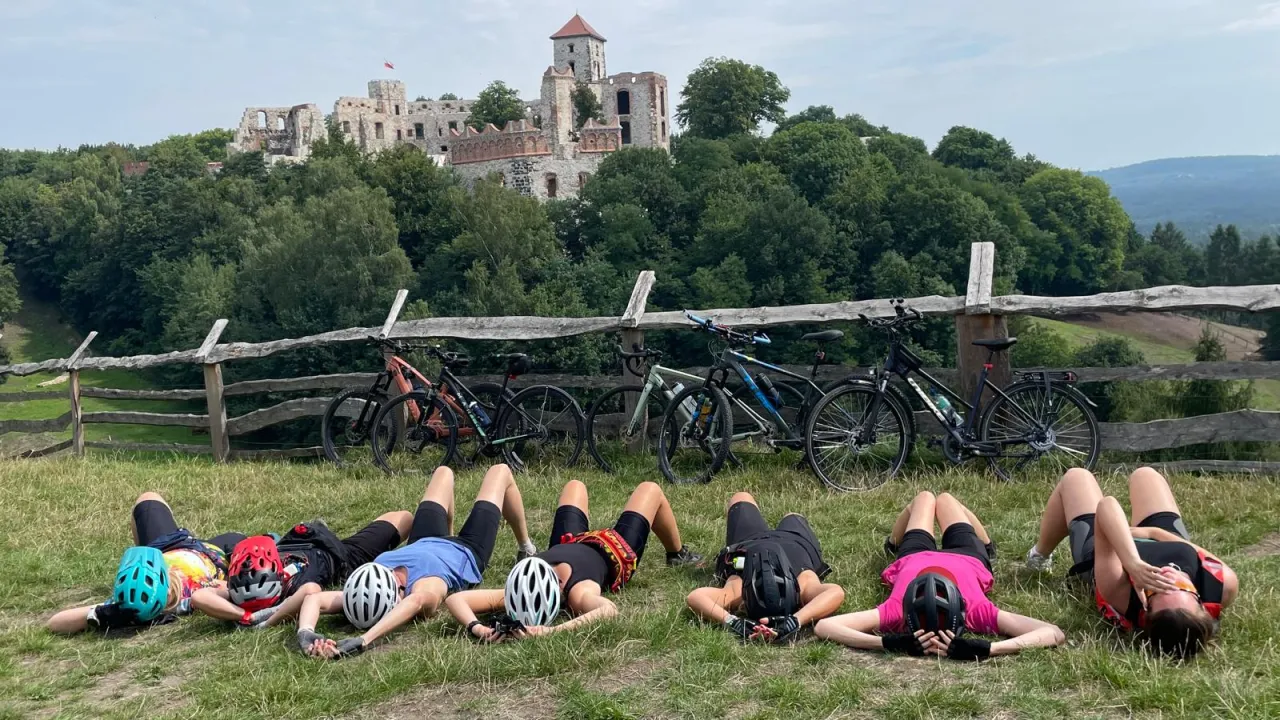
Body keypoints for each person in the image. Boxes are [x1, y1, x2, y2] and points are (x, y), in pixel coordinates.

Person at [297, 464, 538, 659]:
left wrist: (305, 632)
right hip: (468, 549)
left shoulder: (365, 588)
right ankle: (526, 547)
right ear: (397, 595)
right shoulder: (427, 589)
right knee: (500, 471)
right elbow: (417, 601)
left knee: (443, 472)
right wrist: (364, 640)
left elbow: (315, 599)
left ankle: (449, 529)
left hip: (423, 539)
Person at [815, 491, 1065, 660]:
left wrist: (888, 643)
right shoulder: (979, 611)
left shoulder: (896, 612)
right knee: (945, 499)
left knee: (925, 498)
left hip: (913, 556)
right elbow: (1052, 632)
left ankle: (893, 542)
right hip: (968, 556)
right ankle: (987, 545)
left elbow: (826, 626)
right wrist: (990, 648)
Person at [1026, 466, 1238, 660]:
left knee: (1077, 477)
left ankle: (1039, 556)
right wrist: (1151, 532)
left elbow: (1107, 506)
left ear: (1147, 608)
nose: (1168, 575)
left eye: (1157, 588)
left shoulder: (1121, 592)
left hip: (1105, 546)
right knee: (1146, 475)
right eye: (1182, 587)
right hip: (1159, 538)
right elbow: (1194, 550)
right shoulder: (1222, 584)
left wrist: (1133, 563)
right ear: (1201, 602)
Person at [447, 479, 702, 640]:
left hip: (568, 541)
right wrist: (553, 632)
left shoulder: (518, 588)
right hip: (614, 548)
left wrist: (476, 628)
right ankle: (677, 554)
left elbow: (456, 599)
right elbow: (608, 610)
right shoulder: (579, 593)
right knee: (651, 489)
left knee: (574, 485)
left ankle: (676, 553)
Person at [47, 491, 247, 634]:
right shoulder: (191, 594)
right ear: (167, 591)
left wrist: (104, 612)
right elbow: (215, 594)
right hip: (214, 555)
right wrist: (244, 612)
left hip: (166, 546)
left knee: (148, 499)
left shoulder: (130, 598)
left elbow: (55, 622)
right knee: (239, 537)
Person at [190, 510, 415, 629]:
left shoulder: (242, 589)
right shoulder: (249, 585)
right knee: (404, 518)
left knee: (402, 518)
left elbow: (201, 596)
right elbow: (310, 589)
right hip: (338, 554)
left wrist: (250, 616)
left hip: (312, 543)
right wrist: (253, 616)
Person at [686, 492, 845, 643]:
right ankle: (791, 518)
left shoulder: (737, 592)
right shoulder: (804, 585)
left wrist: (732, 622)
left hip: (750, 541)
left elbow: (695, 597)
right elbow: (836, 592)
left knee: (741, 497)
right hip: (796, 542)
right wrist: (796, 621)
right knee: (793, 516)